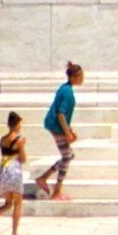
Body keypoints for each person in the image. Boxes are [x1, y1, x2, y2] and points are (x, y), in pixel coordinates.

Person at [38, 62, 82, 200]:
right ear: (74, 77)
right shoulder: (67, 92)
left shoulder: (65, 89)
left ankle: (44, 178)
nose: (83, 79)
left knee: (68, 156)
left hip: (56, 126)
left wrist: (69, 130)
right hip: (56, 126)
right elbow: (61, 114)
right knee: (67, 156)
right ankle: (56, 191)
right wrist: (67, 132)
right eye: (80, 76)